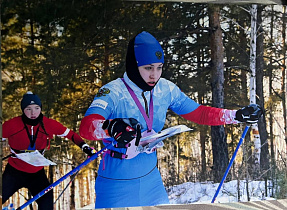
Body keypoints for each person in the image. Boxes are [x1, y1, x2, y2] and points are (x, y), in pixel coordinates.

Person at [79, 31, 263, 208]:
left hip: (152, 181)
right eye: (148, 68)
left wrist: (236, 116)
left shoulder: (165, 89)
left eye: (159, 67)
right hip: (116, 184)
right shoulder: (113, 92)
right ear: (133, 66)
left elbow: (199, 113)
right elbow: (86, 127)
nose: (154, 75)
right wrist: (110, 127)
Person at [2, 91, 95, 210]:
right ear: (23, 110)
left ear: (40, 108)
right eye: (28, 109)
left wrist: (84, 147)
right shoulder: (12, 125)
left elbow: (70, 134)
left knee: (47, 202)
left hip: (37, 174)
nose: (33, 113)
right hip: (14, 172)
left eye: (36, 108)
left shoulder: (48, 124)